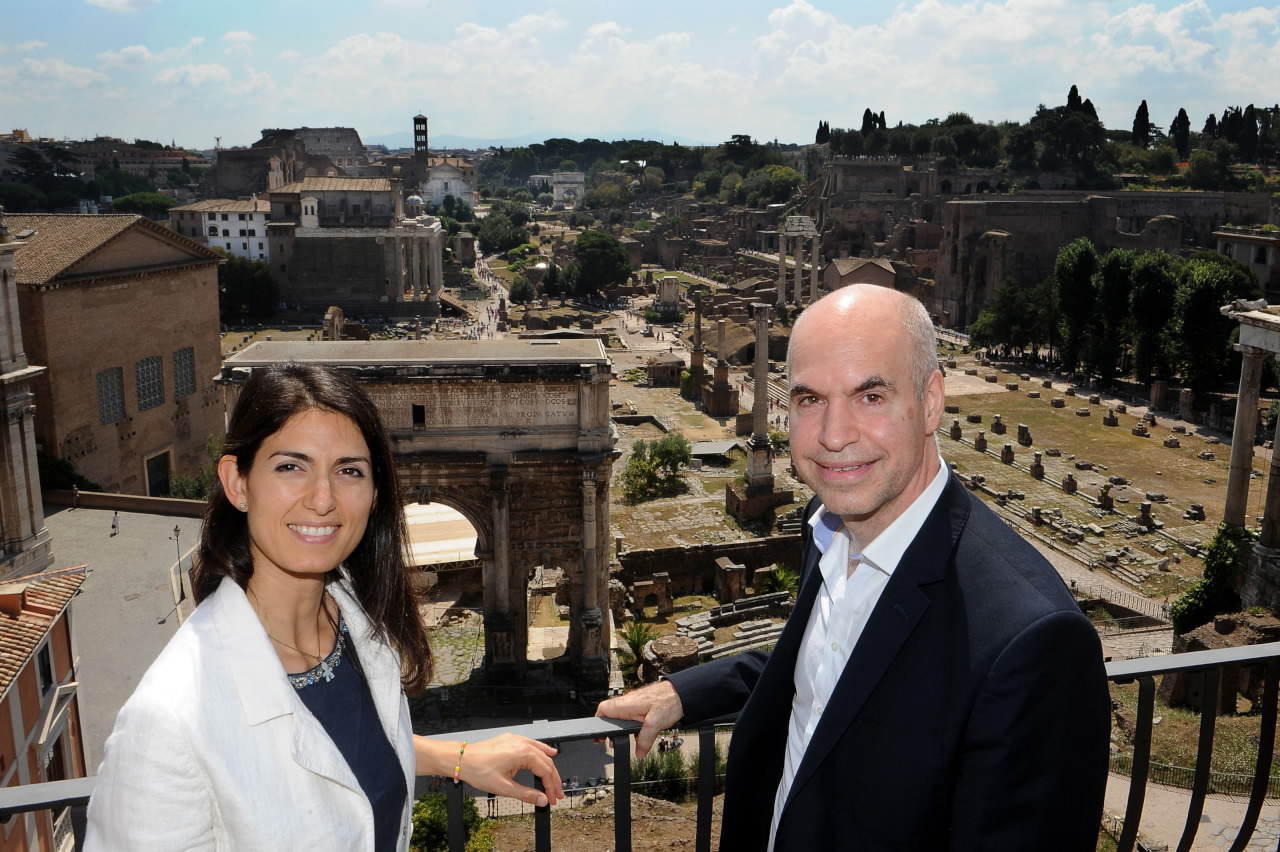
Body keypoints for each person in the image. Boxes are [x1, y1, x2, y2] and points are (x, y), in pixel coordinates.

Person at [597, 285, 1111, 851]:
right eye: (809, 400)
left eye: (871, 397)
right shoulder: (824, 527)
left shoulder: (1034, 640)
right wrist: (685, 693)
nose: (834, 436)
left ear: (931, 401)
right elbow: (833, 660)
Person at [87, 363, 564, 851]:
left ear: (375, 494)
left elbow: (338, 752)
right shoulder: (164, 722)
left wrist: (456, 757)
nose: (323, 499)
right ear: (238, 483)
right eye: (291, 466)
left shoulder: (358, 619)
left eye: (349, 470)